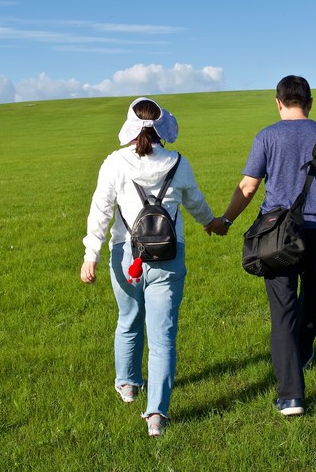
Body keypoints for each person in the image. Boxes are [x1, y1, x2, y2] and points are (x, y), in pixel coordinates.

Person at [207, 75, 316, 416]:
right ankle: (304, 352)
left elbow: (248, 187)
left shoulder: (267, 136)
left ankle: (291, 396)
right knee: (312, 295)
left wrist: (226, 220)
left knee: (283, 311)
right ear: (309, 103)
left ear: (278, 102)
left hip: (278, 236)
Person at [81, 97, 216, 437]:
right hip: (168, 256)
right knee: (163, 335)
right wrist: (210, 222)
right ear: (162, 127)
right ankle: (156, 414)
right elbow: (195, 201)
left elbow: (101, 210)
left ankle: (127, 384)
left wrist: (90, 255)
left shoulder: (114, 163)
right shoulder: (178, 162)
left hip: (125, 255)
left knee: (128, 319)